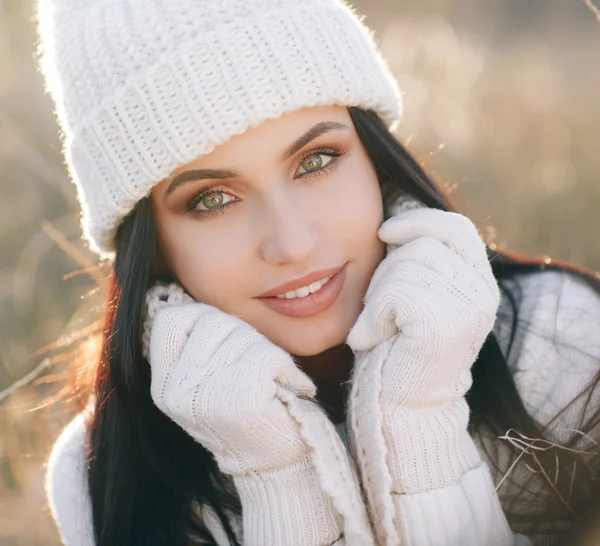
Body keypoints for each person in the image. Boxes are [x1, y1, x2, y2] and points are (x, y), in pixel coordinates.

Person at [36, 0, 600, 545]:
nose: (293, 243)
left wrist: (419, 412)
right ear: (153, 247)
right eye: (212, 199)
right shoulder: (102, 473)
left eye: (316, 160)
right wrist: (276, 476)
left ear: (374, 157)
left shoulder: (563, 343)